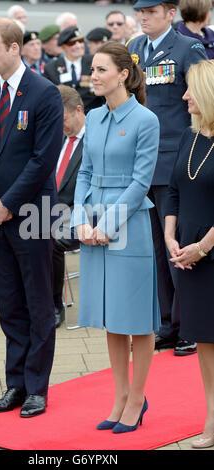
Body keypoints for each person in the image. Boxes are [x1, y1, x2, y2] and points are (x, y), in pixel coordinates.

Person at [0, 18, 63, 418]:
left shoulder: (44, 93)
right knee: (8, 300)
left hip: (34, 211)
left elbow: (43, 159)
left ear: (14, 48)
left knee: (38, 299)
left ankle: (38, 387)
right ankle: (16, 384)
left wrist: (7, 201)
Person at [72, 41, 160, 433]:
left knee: (137, 319)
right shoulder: (93, 117)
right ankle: (119, 396)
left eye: (101, 69)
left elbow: (142, 182)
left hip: (128, 226)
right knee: (111, 317)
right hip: (92, 225)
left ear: (123, 74)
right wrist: (79, 221)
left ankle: (137, 398)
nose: (93, 75)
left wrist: (106, 225)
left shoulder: (145, 120)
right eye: (92, 69)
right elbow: (85, 173)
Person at [126, 0, 208, 356]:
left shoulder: (187, 47)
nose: (143, 18)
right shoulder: (133, 49)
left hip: (176, 160)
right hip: (140, 160)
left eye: (151, 12)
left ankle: (187, 324)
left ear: (170, 13)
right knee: (156, 248)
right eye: (139, 12)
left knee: (176, 242)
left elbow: (203, 97)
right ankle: (166, 323)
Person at [164, 60, 214, 449]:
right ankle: (212, 414)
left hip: (208, 251)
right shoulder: (189, 136)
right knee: (203, 340)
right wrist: (170, 235)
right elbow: (174, 191)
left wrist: (203, 246)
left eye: (190, 90)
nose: (183, 96)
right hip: (188, 256)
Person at [53, 85, 84, 328]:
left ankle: (54, 306)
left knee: (48, 240)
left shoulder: (93, 140)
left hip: (81, 214)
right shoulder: (57, 140)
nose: (60, 125)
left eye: (63, 119)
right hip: (48, 211)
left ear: (78, 110)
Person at [43, 26, 104, 114]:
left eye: (80, 41)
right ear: (63, 46)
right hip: (63, 115)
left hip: (91, 113)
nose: (78, 46)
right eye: (72, 43)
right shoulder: (51, 68)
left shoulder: (95, 61)